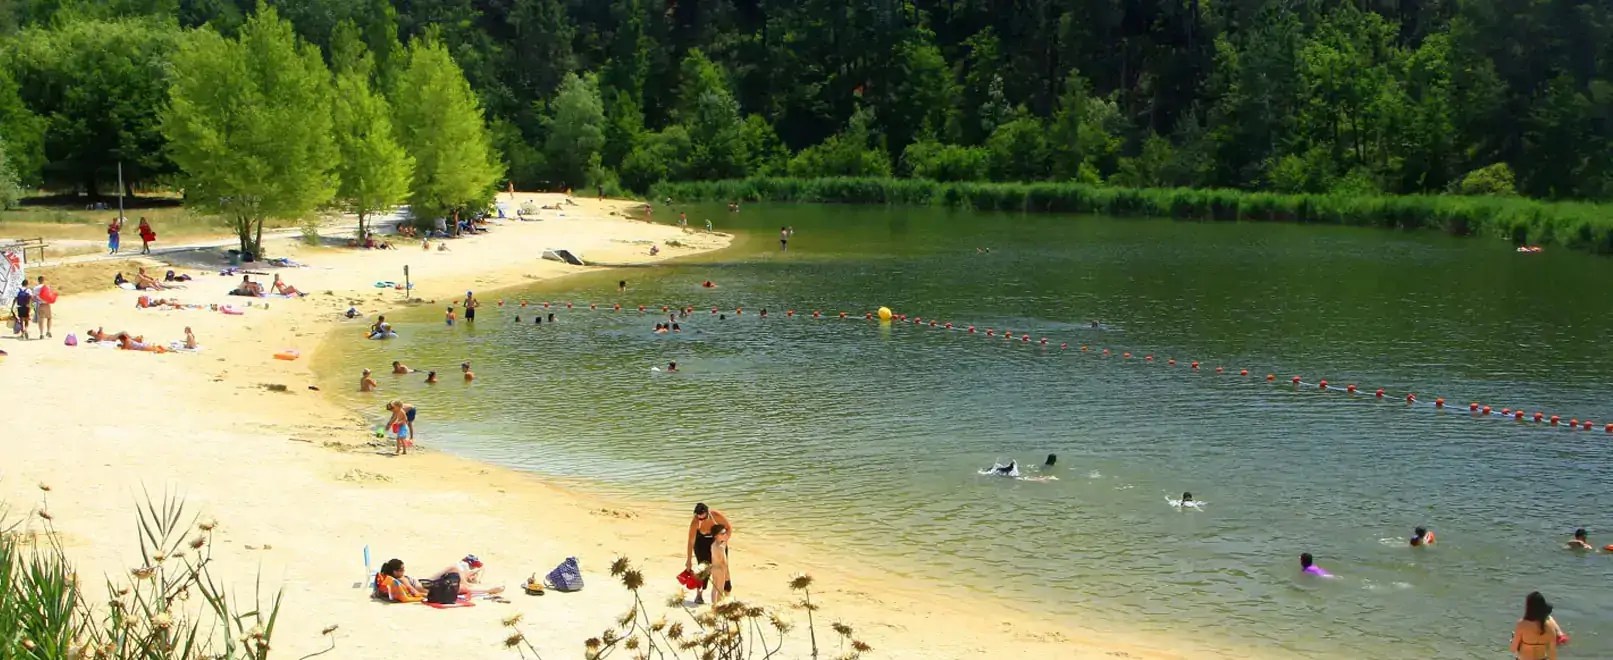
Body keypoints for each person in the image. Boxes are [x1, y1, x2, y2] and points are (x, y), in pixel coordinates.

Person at [684, 503, 734, 605]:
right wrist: (689, 560)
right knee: (703, 568)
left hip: (717, 541)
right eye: (699, 518)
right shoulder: (695, 522)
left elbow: (728, 528)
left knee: (724, 567)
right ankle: (699, 595)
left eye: (703, 518)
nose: (701, 520)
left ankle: (727, 595)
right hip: (701, 543)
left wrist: (724, 542)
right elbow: (691, 541)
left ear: (708, 512)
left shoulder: (715, 515)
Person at [1509, 591, 1564, 660]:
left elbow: (1513, 649)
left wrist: (1512, 640)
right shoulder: (1550, 626)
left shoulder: (1522, 624)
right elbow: (1552, 654)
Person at [709, 524, 732, 606]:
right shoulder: (720, 547)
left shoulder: (713, 545)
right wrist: (727, 574)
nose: (725, 535)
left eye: (725, 533)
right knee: (720, 589)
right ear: (716, 536)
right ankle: (718, 605)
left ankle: (713, 605)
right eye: (722, 534)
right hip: (720, 569)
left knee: (714, 588)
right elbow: (724, 562)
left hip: (714, 568)